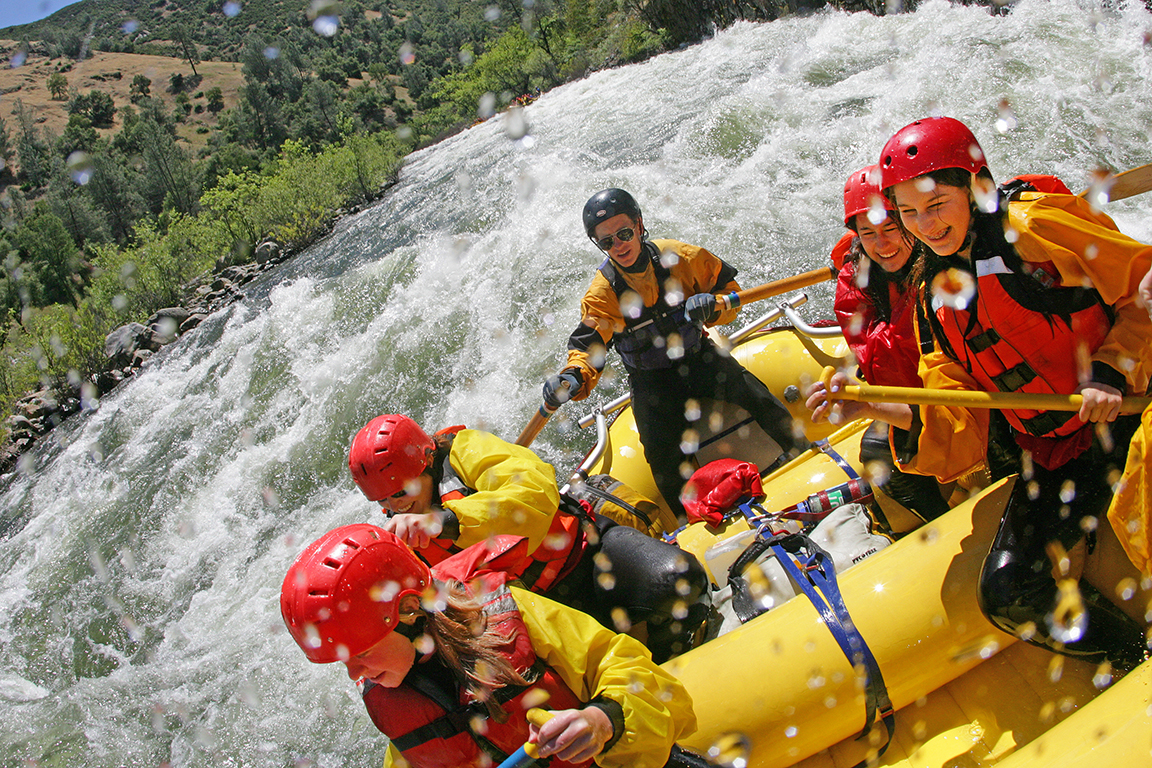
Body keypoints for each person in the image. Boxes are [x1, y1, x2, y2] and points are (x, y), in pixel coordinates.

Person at [855, 115, 1152, 669]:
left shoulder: (1035, 228)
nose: (925, 224)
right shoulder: (932, 296)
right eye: (909, 213)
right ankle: (1133, 655)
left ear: (975, 189)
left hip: (1133, 409)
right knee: (1010, 593)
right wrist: (872, 406)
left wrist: (1112, 369)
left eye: (936, 203)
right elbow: (956, 410)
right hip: (1062, 450)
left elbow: (1143, 288)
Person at [280, 524, 697, 768]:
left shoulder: (508, 615)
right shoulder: (392, 705)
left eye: (362, 653)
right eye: (342, 662)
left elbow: (651, 685)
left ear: (410, 612)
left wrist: (603, 720)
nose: (355, 674)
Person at [348, 413, 710, 662]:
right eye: (385, 501)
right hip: (538, 613)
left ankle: (672, 658)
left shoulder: (465, 452)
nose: (398, 506)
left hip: (584, 556)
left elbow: (534, 495)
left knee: (679, 579)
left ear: (427, 463)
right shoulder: (400, 536)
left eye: (401, 492)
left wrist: (447, 521)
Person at [542, 188, 809, 520]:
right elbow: (587, 348)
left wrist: (712, 309)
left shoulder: (680, 256)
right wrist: (573, 376)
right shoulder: (603, 293)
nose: (619, 245)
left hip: (700, 359)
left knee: (757, 395)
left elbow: (730, 291)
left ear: (639, 226)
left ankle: (805, 456)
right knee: (660, 454)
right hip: (651, 382)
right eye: (607, 241)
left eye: (624, 233)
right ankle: (689, 523)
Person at [807, 165, 952, 523]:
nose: (882, 244)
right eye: (868, 233)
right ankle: (943, 520)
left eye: (891, 229)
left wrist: (876, 403)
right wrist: (863, 396)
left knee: (882, 447)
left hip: (963, 396)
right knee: (878, 453)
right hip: (915, 401)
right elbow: (881, 361)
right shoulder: (856, 281)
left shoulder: (942, 267)